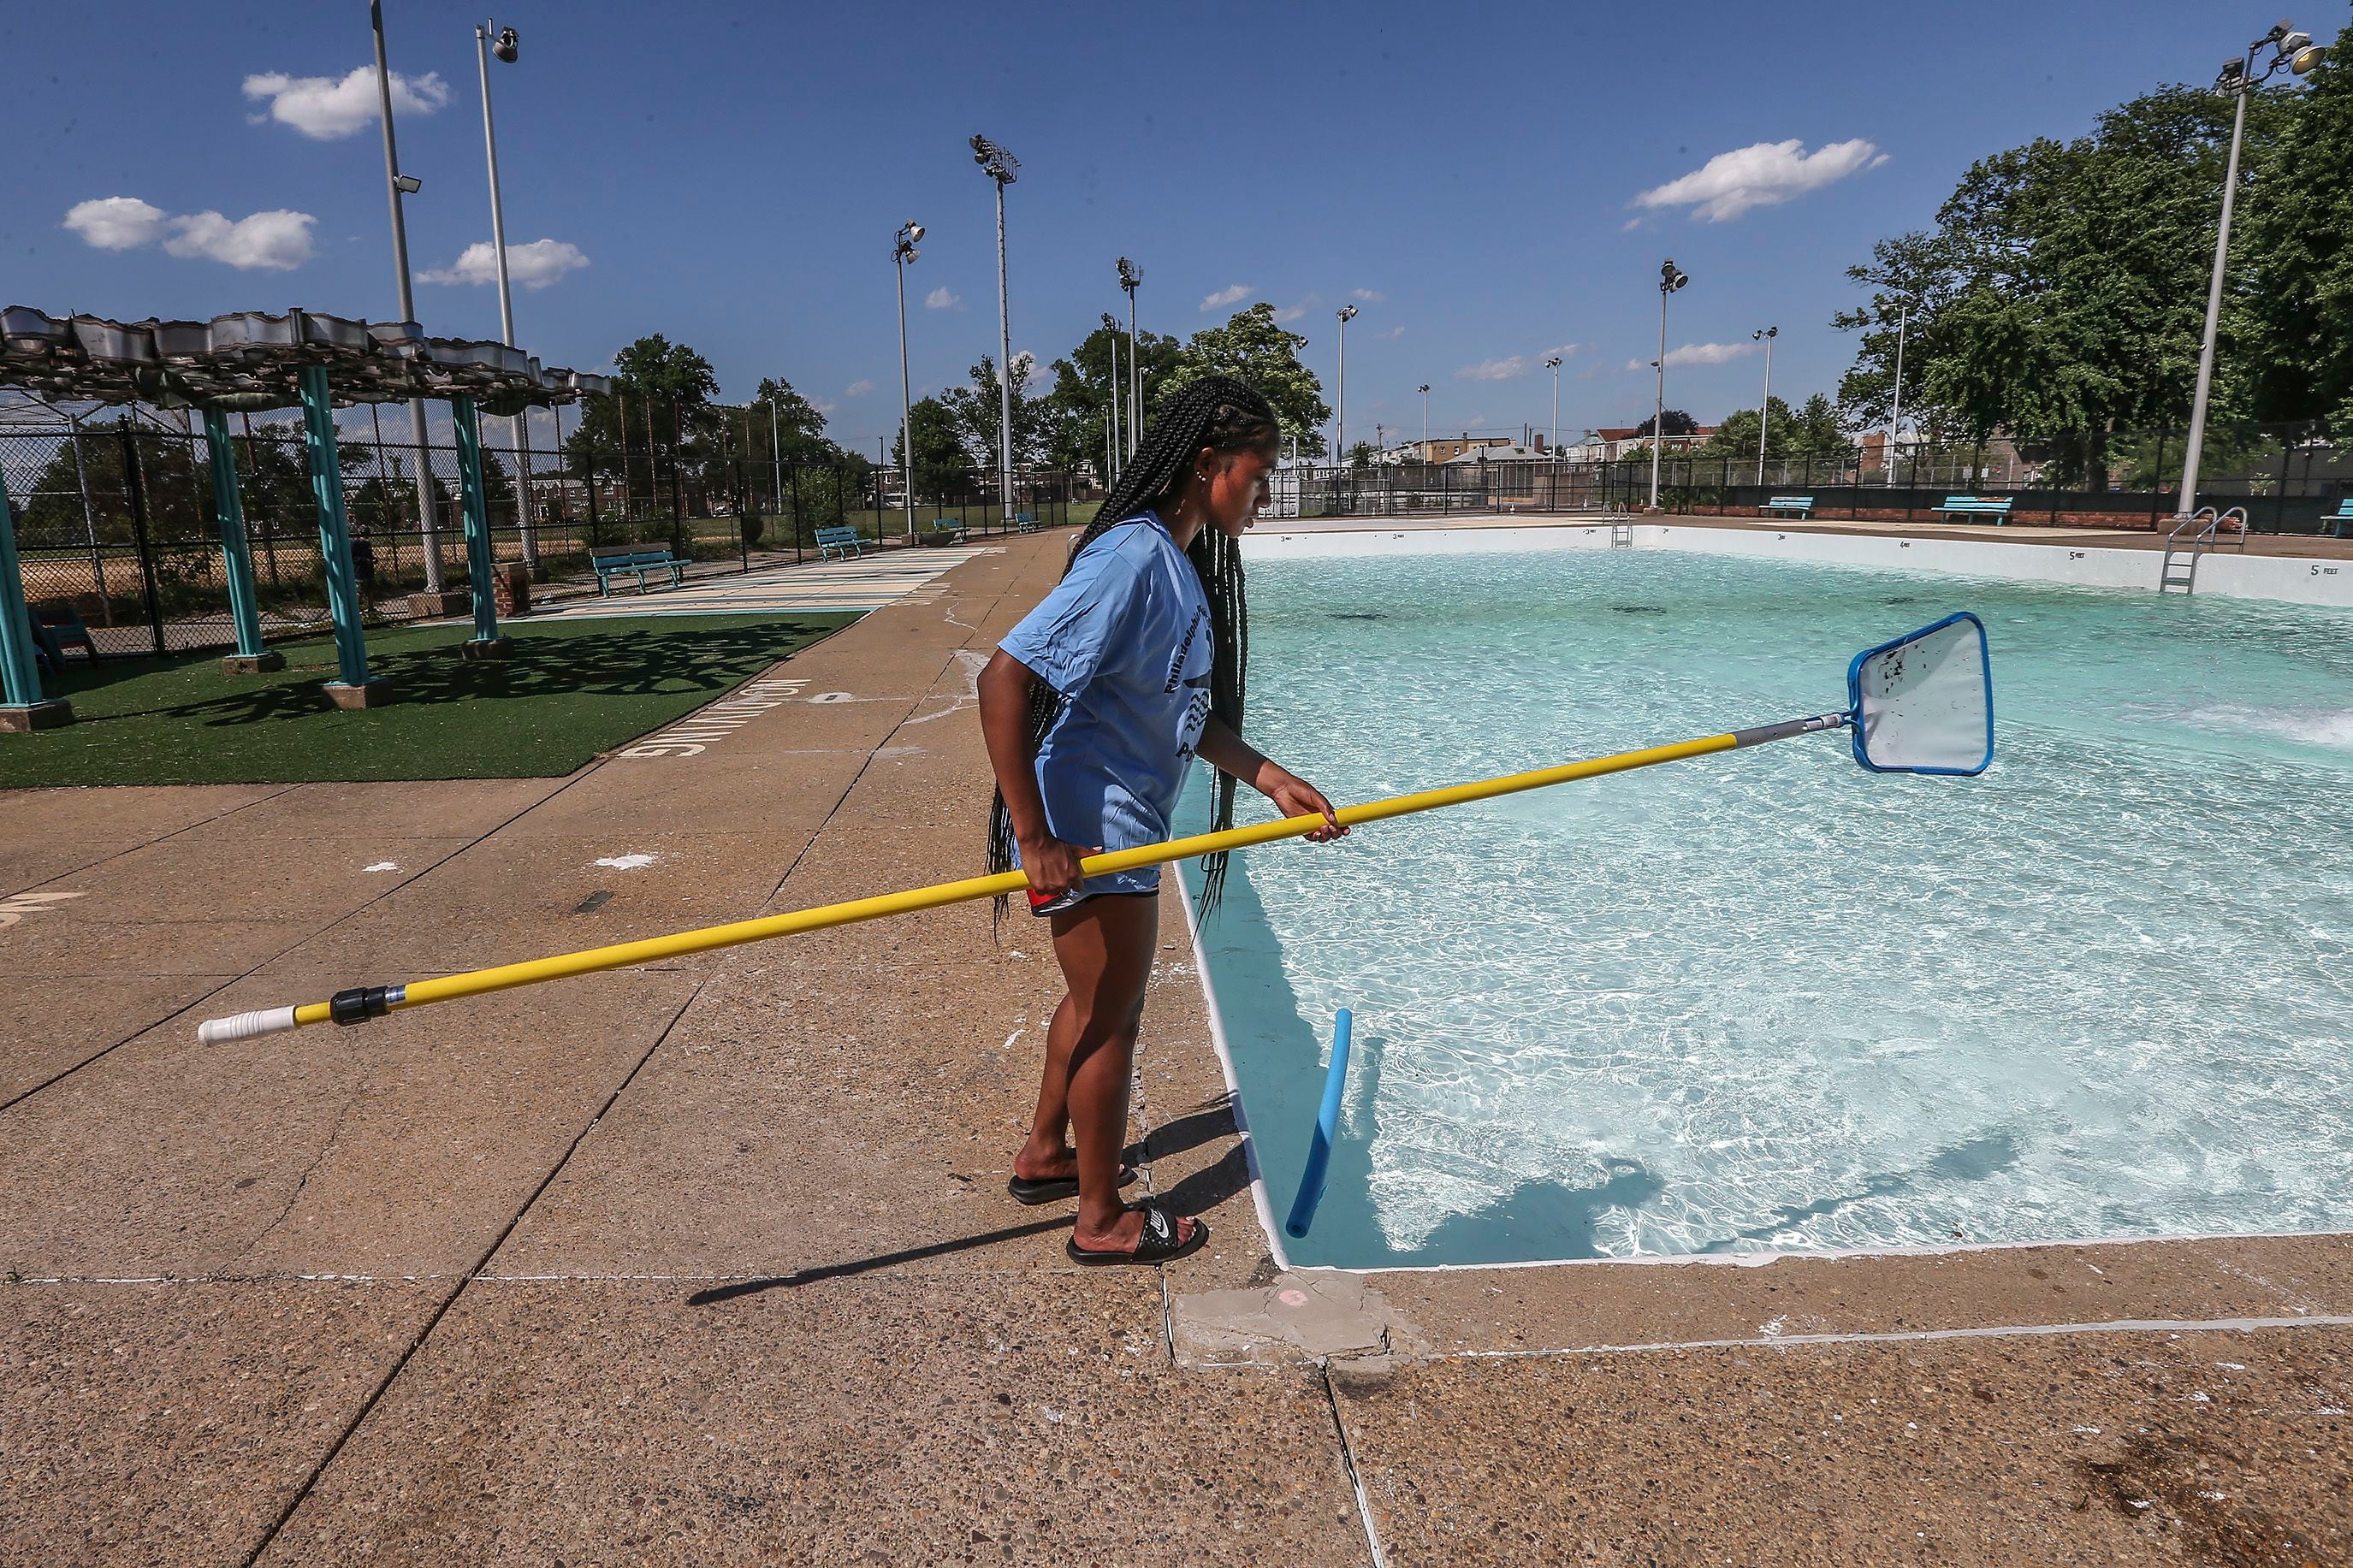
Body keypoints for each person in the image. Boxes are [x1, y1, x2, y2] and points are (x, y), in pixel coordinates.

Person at [978, 376, 1346, 1266]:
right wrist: (1034, 839)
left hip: (1117, 819)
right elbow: (1002, 679)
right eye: (1255, 476)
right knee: (1113, 1019)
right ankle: (1100, 1219)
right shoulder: (1133, 559)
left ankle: (1044, 1154)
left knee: (1091, 1000)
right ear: (1206, 465)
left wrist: (1266, 777)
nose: (1262, 495)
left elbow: (1178, 709)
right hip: (1088, 829)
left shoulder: (1172, 561)